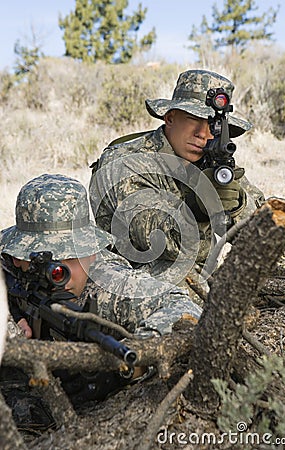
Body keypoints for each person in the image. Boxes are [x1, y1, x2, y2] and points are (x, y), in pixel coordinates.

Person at [0, 173, 202, 420]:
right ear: (18, 257)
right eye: (45, 261)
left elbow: (185, 308)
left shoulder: (110, 282)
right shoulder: (7, 267)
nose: (59, 272)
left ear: (93, 252)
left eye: (73, 255)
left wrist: (132, 363)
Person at [89, 69, 265, 293]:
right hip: (129, 280)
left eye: (213, 125)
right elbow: (160, 242)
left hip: (198, 279)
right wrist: (200, 208)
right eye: (193, 119)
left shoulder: (213, 161)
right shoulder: (127, 162)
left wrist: (237, 204)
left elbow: (263, 235)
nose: (203, 133)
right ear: (170, 118)